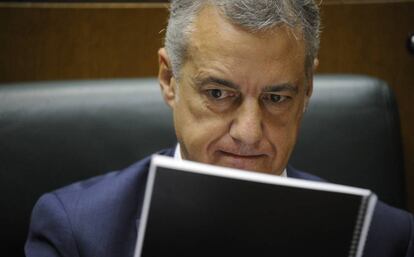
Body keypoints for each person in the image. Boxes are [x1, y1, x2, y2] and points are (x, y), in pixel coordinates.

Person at [25, 1, 413, 257]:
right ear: (169, 78)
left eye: (276, 98)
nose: (248, 132)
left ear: (307, 91)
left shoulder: (387, 240)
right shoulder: (74, 233)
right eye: (218, 92)